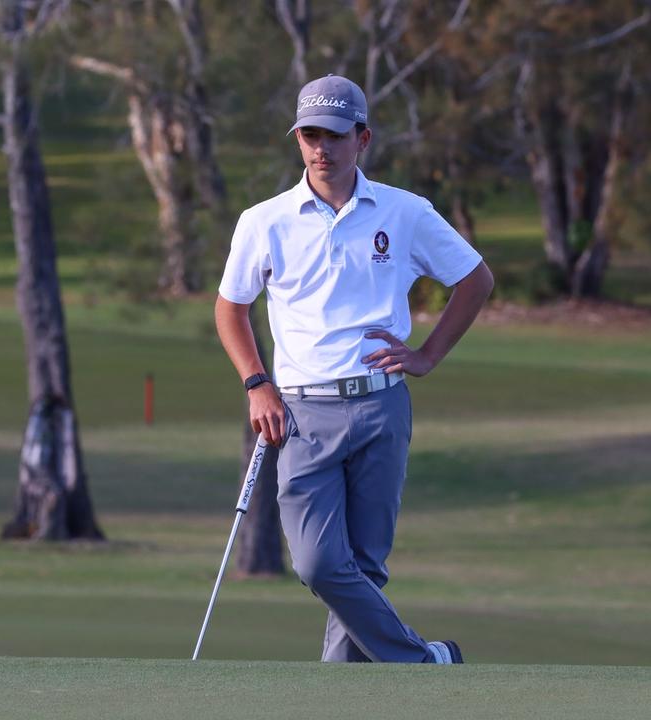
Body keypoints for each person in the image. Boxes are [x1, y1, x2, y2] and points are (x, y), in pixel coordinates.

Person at [215, 74, 493, 664]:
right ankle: (424, 661)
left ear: (362, 138)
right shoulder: (263, 220)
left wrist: (428, 355)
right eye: (310, 135)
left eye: (336, 135)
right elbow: (230, 308)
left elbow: (475, 279)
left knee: (364, 566)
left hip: (381, 404)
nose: (323, 147)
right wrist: (256, 383)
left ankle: (343, 692)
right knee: (318, 563)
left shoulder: (405, 211)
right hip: (300, 412)